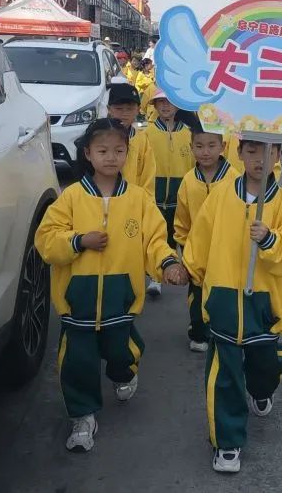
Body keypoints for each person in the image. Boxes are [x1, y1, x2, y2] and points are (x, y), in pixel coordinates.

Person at [35, 118, 187, 453]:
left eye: (119, 150)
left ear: (127, 154)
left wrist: (169, 264)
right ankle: (83, 416)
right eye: (103, 150)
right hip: (78, 304)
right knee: (78, 362)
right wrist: (78, 241)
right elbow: (46, 241)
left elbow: (155, 241)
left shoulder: (138, 200)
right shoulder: (71, 197)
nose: (111, 157)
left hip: (121, 300)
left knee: (121, 351)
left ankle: (125, 373)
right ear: (88, 153)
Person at [183, 139, 282, 473]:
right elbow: (201, 237)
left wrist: (271, 240)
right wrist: (189, 269)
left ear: (279, 156)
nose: (259, 159)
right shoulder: (221, 196)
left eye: (268, 152)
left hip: (265, 309)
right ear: (238, 153)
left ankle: (264, 385)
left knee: (264, 366)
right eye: (252, 151)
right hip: (224, 302)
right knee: (224, 376)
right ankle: (227, 442)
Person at [174, 125, 239, 352]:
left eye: (212, 145)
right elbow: (181, 220)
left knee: (223, 291)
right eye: (199, 146)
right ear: (191, 148)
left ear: (223, 146)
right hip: (197, 251)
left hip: (226, 250)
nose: (205, 152)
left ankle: (224, 331)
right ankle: (199, 332)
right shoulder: (188, 180)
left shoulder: (234, 179)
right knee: (197, 292)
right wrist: (183, 249)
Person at [145, 89, 194, 296]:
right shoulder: (146, 133)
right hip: (155, 193)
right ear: (154, 106)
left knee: (182, 235)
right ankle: (155, 279)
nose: (165, 106)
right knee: (158, 235)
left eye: (170, 102)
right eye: (160, 102)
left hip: (181, 193)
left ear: (178, 105)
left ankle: (191, 274)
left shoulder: (189, 133)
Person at [106, 83, 156, 198]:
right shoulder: (100, 139)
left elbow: (148, 179)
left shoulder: (142, 141)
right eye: (119, 108)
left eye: (129, 108)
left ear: (138, 110)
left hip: (135, 204)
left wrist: (145, 206)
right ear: (109, 109)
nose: (124, 113)